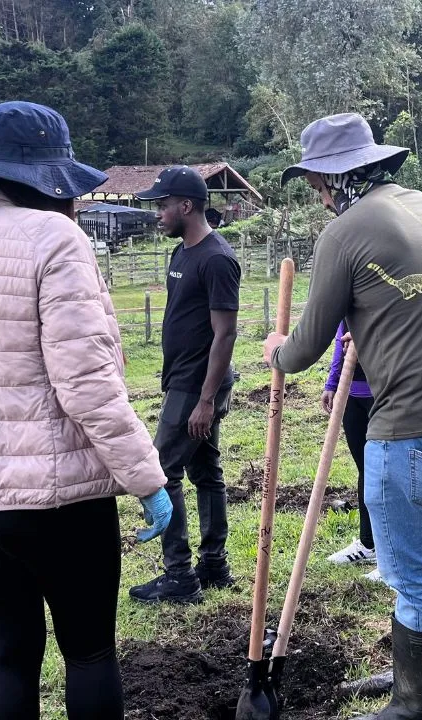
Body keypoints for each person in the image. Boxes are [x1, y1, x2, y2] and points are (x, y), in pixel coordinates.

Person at [0, 101, 172, 720]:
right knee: (90, 651)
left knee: (9, 652)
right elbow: (86, 380)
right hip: (53, 496)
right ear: (46, 179)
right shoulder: (54, 237)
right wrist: (146, 478)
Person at [263, 113, 422, 720]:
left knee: (416, 579)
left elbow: (306, 347)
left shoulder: (345, 231)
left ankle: (411, 705)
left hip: (413, 432)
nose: (318, 199)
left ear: (335, 180)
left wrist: (277, 350)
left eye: (316, 186)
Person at [128, 166, 242, 604]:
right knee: (205, 470)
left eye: (163, 204)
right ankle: (213, 565)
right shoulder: (182, 253)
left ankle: (179, 575)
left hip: (197, 388)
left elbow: (225, 334)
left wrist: (206, 400)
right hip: (183, 381)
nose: (158, 213)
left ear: (187, 205)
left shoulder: (216, 258)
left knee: (163, 471)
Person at [322, 321, 383, 583]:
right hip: (352, 392)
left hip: (384, 392)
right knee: (366, 470)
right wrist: (333, 381)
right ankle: (368, 544)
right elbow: (341, 336)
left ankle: (392, 557)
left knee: (387, 474)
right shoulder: (346, 288)